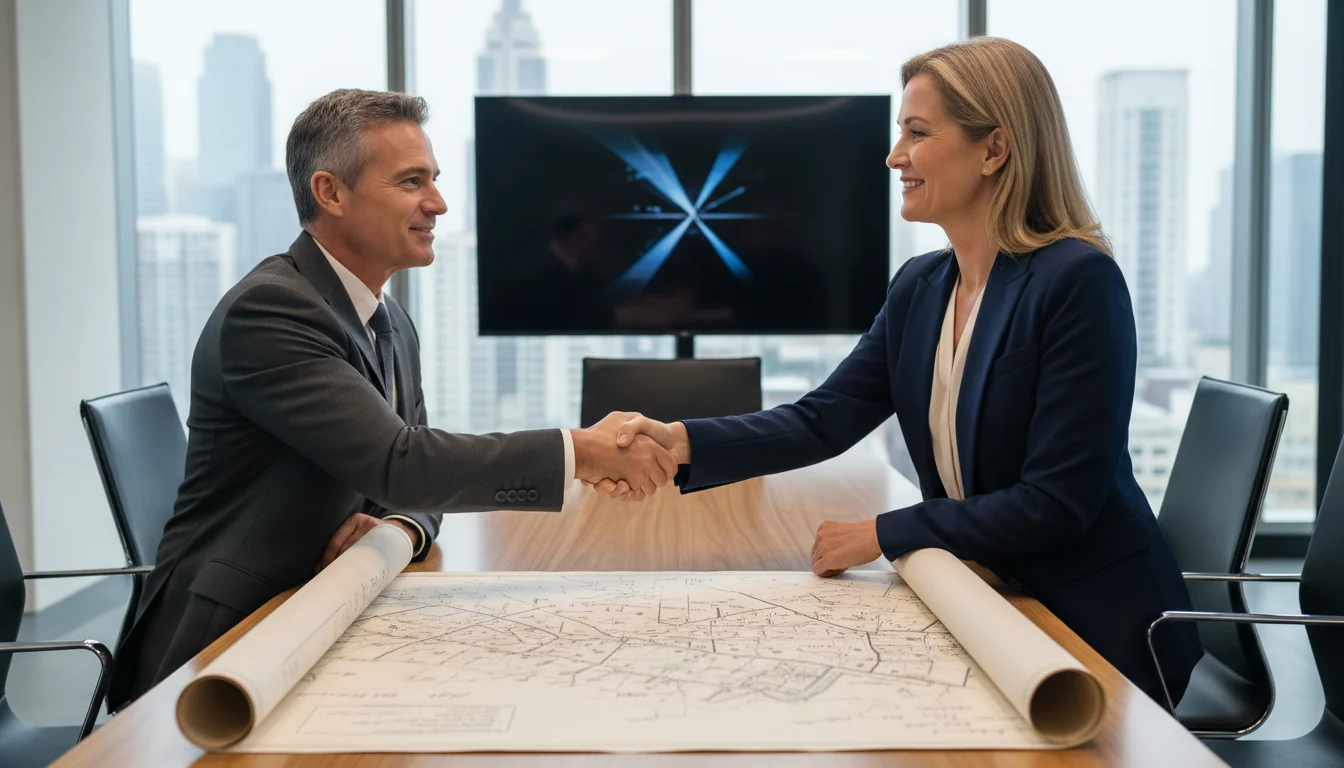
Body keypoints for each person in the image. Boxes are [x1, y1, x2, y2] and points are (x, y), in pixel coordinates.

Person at [593, 38, 1203, 705]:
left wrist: (883, 532)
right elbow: (824, 419)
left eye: (917, 133)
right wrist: (681, 442)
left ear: (994, 150)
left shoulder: (1077, 281)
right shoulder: (921, 286)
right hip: (985, 600)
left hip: (1093, 629)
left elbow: (1055, 505)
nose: (894, 157)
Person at [107, 89, 676, 709]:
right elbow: (404, 464)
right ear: (330, 192)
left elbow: (414, 489)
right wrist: (582, 453)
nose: (438, 203)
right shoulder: (271, 311)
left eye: (433, 180)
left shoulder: (389, 320)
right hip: (226, 646)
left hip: (328, 609)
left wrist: (394, 535)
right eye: (411, 182)